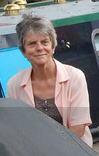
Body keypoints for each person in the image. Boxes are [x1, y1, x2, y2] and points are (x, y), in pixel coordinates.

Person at [7, 14, 93, 146]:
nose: (39, 48)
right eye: (32, 44)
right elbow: (17, 129)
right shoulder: (14, 85)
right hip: (36, 155)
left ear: (53, 47)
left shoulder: (75, 77)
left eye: (44, 42)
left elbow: (78, 127)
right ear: (23, 51)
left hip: (75, 153)